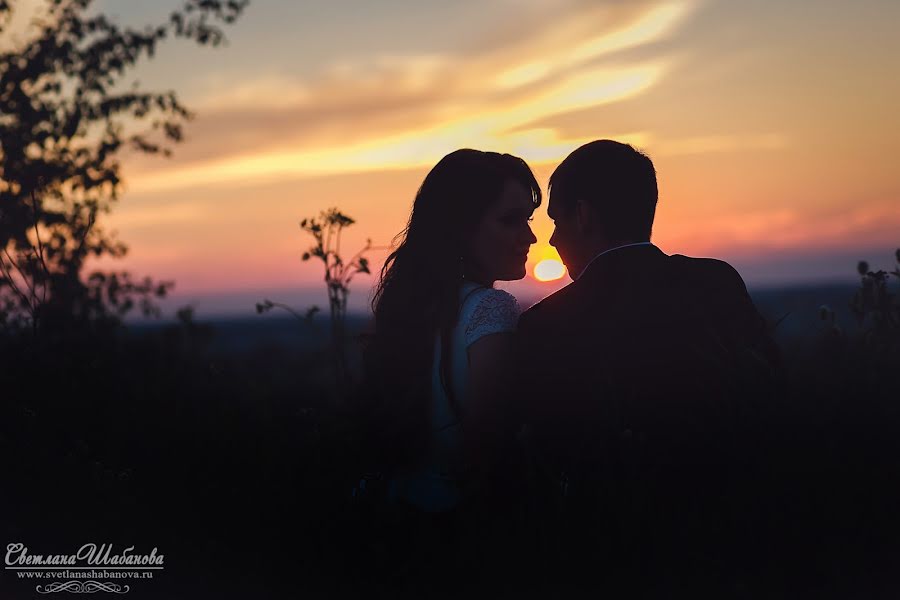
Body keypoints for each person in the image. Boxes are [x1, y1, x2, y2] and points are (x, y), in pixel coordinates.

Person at [516, 140, 781, 596]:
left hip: (613, 553)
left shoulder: (545, 326)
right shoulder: (717, 280)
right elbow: (771, 389)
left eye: (557, 221)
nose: (553, 239)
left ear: (584, 215)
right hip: (738, 532)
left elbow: (546, 452)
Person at [359, 148, 539, 590]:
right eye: (511, 220)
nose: (531, 237)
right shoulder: (492, 311)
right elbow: (489, 448)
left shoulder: (414, 313)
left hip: (400, 526)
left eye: (529, 218)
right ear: (463, 229)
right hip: (468, 544)